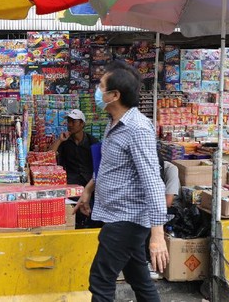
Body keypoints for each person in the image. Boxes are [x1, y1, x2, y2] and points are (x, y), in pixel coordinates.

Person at [76, 60, 169, 302]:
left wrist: (157, 235)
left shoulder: (137, 128)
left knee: (101, 279)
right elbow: (109, 167)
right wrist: (88, 190)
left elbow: (153, 181)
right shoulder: (114, 123)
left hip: (127, 217)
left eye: (101, 86)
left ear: (114, 95)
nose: (97, 91)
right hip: (117, 213)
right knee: (139, 278)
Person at [50, 109, 100, 229]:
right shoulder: (65, 142)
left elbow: (99, 164)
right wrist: (59, 140)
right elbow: (50, 155)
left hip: (90, 183)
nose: (70, 125)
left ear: (82, 124)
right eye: (69, 122)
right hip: (72, 183)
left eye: (73, 122)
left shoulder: (92, 141)